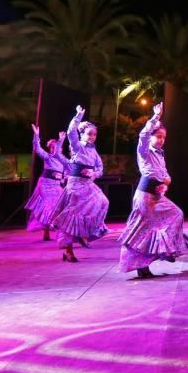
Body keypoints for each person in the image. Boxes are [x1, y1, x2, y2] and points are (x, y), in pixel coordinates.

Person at [117, 102, 188, 278]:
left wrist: (166, 182)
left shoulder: (160, 155)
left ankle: (167, 250)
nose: (161, 140)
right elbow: (143, 135)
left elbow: (166, 176)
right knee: (143, 230)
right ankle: (141, 266)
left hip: (157, 196)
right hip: (145, 196)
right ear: (151, 137)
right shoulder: (144, 151)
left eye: (163, 137)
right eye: (158, 136)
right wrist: (155, 118)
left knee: (177, 214)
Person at [51, 106, 109, 263]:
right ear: (82, 134)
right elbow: (71, 132)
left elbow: (100, 168)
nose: (92, 137)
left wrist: (95, 173)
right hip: (75, 185)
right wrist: (78, 116)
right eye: (89, 134)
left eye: (95, 134)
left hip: (88, 184)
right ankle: (68, 251)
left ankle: (85, 234)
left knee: (103, 202)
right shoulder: (78, 146)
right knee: (72, 217)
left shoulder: (93, 150)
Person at [23, 124, 67, 241]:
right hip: (45, 185)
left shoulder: (64, 161)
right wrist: (36, 135)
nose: (54, 149)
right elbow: (37, 148)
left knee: (61, 206)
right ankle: (47, 231)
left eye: (56, 147)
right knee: (48, 207)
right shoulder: (48, 157)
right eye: (52, 147)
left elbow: (66, 176)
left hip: (57, 186)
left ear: (61, 148)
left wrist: (63, 178)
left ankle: (61, 231)